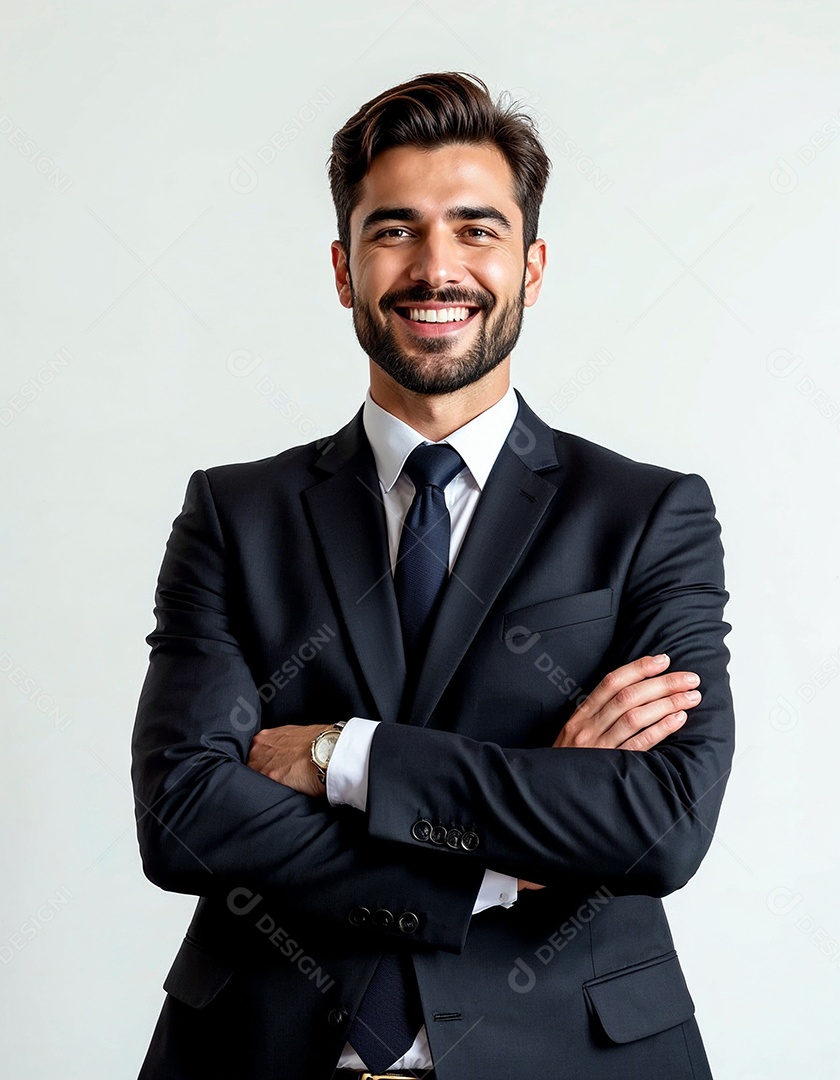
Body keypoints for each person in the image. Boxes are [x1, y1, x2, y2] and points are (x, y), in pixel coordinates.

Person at [131, 71, 734, 1080]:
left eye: (477, 229)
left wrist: (344, 756)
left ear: (533, 267)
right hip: (260, 1049)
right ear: (344, 268)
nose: (436, 266)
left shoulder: (647, 515)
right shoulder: (235, 515)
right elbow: (185, 815)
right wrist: (503, 861)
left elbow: (662, 822)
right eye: (396, 230)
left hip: (573, 1054)